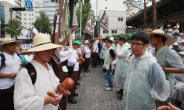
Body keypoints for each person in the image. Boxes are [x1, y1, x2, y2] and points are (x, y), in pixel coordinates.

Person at [14, 33, 67, 110]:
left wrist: (60, 88)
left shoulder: (48, 66)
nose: (50, 52)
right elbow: (20, 104)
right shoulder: (25, 73)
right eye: (46, 49)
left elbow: (54, 83)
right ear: (36, 51)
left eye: (51, 49)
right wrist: (45, 100)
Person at [122, 33, 170, 110]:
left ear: (146, 46)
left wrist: (148, 94)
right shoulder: (133, 59)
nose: (134, 46)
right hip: (129, 100)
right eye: (132, 43)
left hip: (143, 103)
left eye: (138, 44)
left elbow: (160, 85)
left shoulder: (151, 63)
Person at [147, 29, 184, 107]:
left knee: (162, 106)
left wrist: (163, 69)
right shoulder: (154, 51)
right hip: (155, 85)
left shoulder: (169, 52)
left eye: (152, 37)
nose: (150, 40)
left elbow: (182, 69)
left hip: (164, 88)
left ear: (159, 38)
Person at [51, 34, 73, 110]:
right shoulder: (56, 55)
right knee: (62, 96)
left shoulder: (54, 53)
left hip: (59, 75)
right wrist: (70, 40)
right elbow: (70, 52)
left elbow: (59, 47)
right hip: (59, 76)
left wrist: (65, 39)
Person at [0, 37, 22, 110]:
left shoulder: (17, 55)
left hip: (16, 86)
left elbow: (19, 66)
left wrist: (21, 71)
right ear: (5, 46)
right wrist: (8, 75)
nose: (13, 46)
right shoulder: (1, 57)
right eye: (11, 44)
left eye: (14, 44)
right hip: (4, 88)